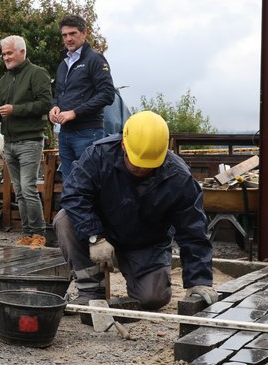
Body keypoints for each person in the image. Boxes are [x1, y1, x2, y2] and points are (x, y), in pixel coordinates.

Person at [53, 110, 217, 311]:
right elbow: (74, 195)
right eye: (136, 162)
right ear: (123, 145)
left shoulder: (178, 177)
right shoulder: (99, 155)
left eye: (149, 165)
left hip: (146, 245)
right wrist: (94, 236)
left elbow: (194, 230)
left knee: (152, 299)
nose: (141, 169)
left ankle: (139, 277)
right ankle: (91, 290)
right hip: (102, 234)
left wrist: (198, 280)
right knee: (64, 219)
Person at [0, 35, 52, 246]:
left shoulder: (38, 74)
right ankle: (26, 234)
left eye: (9, 53)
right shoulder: (3, 80)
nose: (5, 57)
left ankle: (39, 234)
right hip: (9, 142)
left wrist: (16, 110)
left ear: (22, 52)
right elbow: (0, 107)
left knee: (28, 188)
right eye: (4, 54)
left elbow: (45, 104)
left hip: (30, 140)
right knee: (20, 191)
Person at [49, 15, 116, 180]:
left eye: (73, 33)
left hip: (88, 132)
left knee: (88, 183)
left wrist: (74, 112)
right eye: (64, 35)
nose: (68, 39)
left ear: (84, 33)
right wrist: (54, 107)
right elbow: (58, 93)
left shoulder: (95, 59)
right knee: (69, 184)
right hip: (65, 134)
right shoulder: (63, 64)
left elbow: (108, 94)